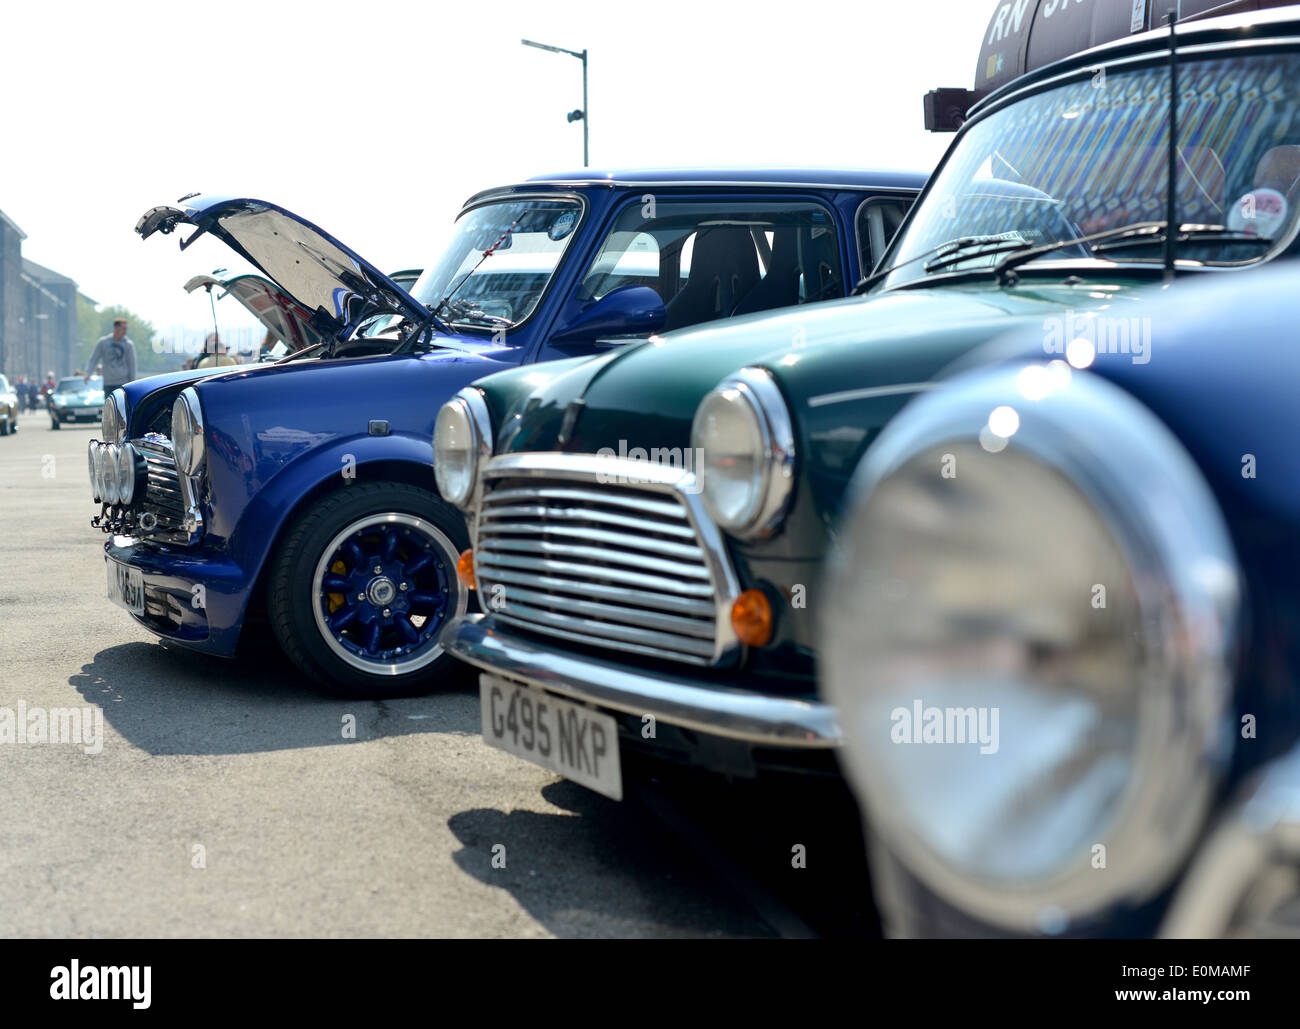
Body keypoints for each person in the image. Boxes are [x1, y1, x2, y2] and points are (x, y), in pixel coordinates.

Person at [85, 318, 138, 393]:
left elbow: (132, 365)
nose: (125, 331)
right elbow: (94, 359)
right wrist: (88, 373)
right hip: (108, 383)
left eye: (126, 329)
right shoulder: (103, 342)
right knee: (109, 404)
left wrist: (133, 383)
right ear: (116, 328)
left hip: (123, 383)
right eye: (123, 328)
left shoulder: (128, 344)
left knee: (122, 404)